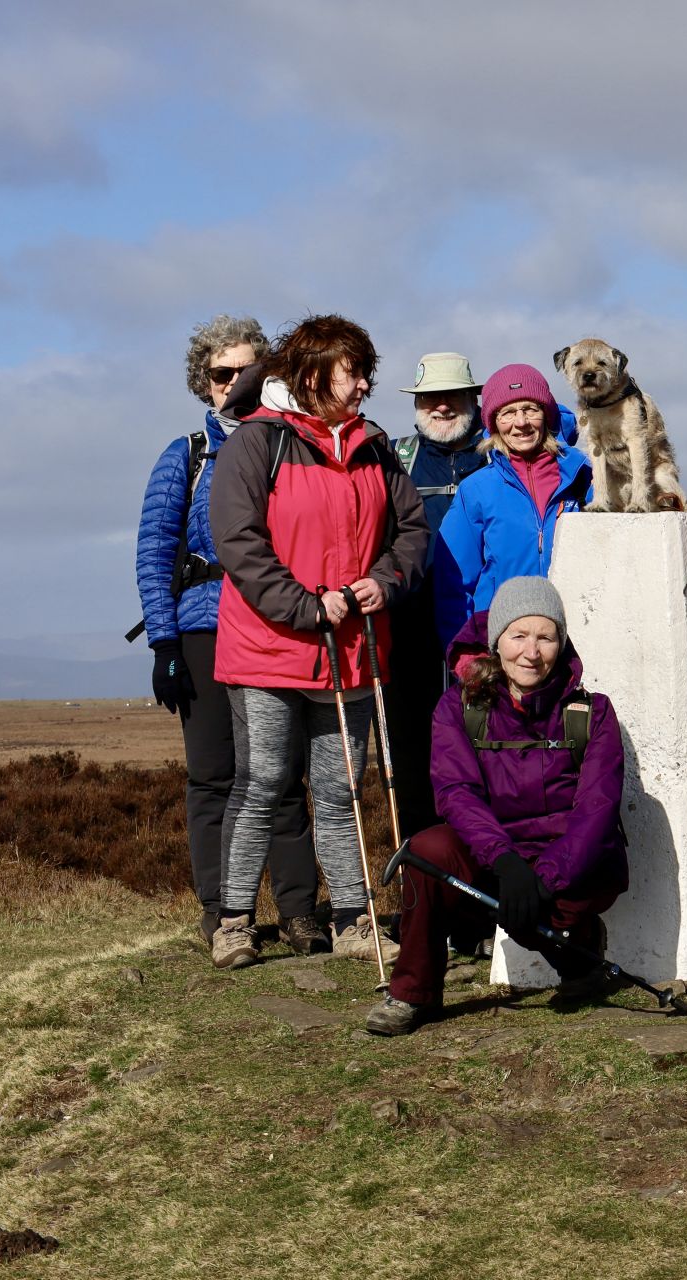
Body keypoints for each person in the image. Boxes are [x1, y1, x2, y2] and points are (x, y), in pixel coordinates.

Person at [208, 313, 429, 969]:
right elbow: (238, 543)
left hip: (353, 651)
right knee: (263, 782)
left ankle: (354, 920)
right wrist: (305, 606)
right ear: (311, 374)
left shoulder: (376, 446)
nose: (363, 385)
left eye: (366, 373)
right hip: (267, 649)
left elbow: (410, 532)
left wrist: (384, 582)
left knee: (338, 790)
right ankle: (234, 922)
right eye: (351, 373)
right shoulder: (257, 442)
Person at [133, 315, 324, 953]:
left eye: (248, 370)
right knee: (215, 775)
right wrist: (164, 644)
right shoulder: (186, 455)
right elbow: (155, 551)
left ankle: (301, 912)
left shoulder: (293, 444)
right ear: (204, 383)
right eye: (222, 373)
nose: (235, 383)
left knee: (283, 775)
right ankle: (223, 915)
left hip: (279, 627)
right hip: (205, 626)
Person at [366, 577, 628, 1035]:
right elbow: (456, 792)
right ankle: (413, 993)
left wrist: (541, 880)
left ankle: (582, 951)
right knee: (428, 852)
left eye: (546, 637)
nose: (532, 652)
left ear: (561, 643)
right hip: (494, 856)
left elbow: (597, 812)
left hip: (564, 861)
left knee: (542, 914)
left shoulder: (593, 713)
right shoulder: (457, 708)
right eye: (518, 636)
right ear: (496, 643)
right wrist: (505, 862)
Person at [383, 353, 491, 838]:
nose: (443, 406)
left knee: (488, 749)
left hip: (485, 627)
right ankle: (423, 873)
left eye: (454, 396)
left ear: (475, 399)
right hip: (408, 628)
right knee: (412, 751)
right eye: (431, 397)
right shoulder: (394, 457)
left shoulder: (499, 453)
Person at [431, 364, 588, 650]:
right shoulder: (476, 490)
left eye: (530, 409)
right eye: (508, 413)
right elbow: (453, 585)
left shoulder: (583, 477)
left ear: (547, 415)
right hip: (500, 644)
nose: (521, 422)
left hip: (577, 638)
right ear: (493, 423)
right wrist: (466, 656)